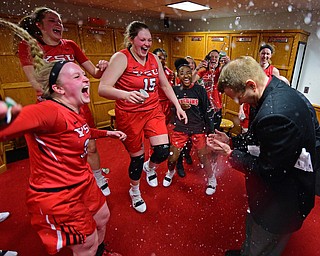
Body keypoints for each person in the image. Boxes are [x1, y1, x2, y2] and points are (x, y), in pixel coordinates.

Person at [0, 19, 125, 256]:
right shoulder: (47, 110)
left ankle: (101, 252)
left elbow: (80, 132)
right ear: (58, 89)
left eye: (83, 75)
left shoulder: (74, 109)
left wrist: (108, 132)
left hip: (83, 181)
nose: (86, 79)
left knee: (103, 216)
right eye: (77, 77)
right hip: (58, 193)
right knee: (85, 242)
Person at [207, 56, 316, 256]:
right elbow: (259, 140)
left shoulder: (275, 115)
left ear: (251, 84)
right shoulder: (274, 91)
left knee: (263, 245)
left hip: (282, 202)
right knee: (254, 229)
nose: (238, 102)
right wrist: (231, 139)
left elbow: (269, 171)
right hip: (270, 196)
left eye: (238, 97)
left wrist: (231, 154)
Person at [17, 7, 111, 196]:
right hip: (52, 110)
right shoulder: (29, 46)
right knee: (63, 152)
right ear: (39, 25)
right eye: (52, 20)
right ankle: (69, 187)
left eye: (59, 21)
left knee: (90, 145)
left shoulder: (70, 45)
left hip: (78, 108)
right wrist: (62, 96)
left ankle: (98, 177)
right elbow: (35, 82)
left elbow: (94, 73)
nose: (58, 24)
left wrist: (102, 67)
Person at [98, 21, 187, 213]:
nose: (147, 43)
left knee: (163, 150)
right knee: (136, 159)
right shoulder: (121, 58)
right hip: (129, 115)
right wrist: (126, 94)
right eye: (142, 39)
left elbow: (164, 85)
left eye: (150, 40)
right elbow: (102, 88)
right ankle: (135, 191)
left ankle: (151, 166)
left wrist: (178, 106)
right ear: (131, 39)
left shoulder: (154, 59)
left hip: (152, 111)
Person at [163, 58, 216, 195]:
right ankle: (170, 172)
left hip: (197, 128)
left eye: (188, 72)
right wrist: (178, 107)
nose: (185, 76)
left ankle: (211, 178)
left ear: (192, 73)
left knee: (203, 157)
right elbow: (170, 110)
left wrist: (210, 130)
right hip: (180, 128)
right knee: (172, 157)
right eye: (182, 73)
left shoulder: (199, 90)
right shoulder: (174, 90)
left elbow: (207, 110)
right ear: (178, 75)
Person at [239, 44, 280, 133]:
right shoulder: (252, 69)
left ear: (271, 55)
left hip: (263, 106)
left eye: (267, 54)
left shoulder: (274, 71)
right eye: (263, 53)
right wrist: (241, 108)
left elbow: (276, 92)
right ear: (259, 54)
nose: (265, 56)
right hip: (249, 105)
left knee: (258, 132)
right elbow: (244, 89)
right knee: (245, 131)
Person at [152, 48, 175, 124]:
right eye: (159, 57)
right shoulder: (150, 72)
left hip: (168, 104)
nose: (162, 60)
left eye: (164, 58)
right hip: (155, 104)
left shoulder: (170, 73)